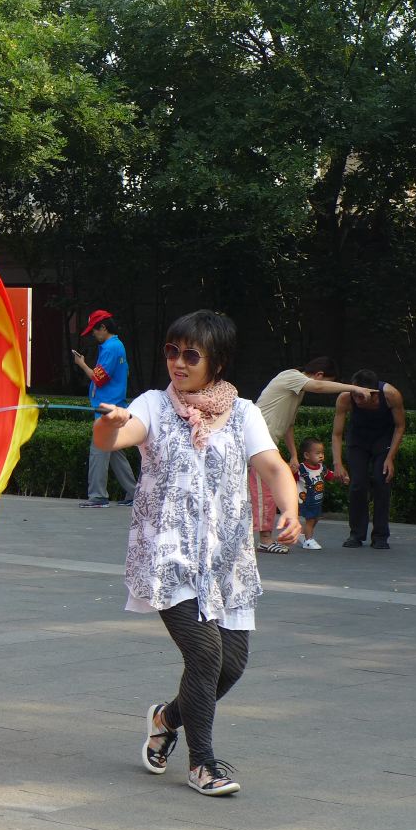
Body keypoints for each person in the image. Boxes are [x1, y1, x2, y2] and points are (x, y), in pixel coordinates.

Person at [93, 310, 300, 797]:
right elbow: (114, 439)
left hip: (226, 560)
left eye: (191, 355)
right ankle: (203, 764)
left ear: (218, 362)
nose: (178, 363)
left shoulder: (244, 412)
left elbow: (271, 466)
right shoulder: (151, 405)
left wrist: (289, 509)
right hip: (169, 557)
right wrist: (112, 423)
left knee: (232, 665)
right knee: (206, 655)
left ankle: (166, 718)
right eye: (171, 352)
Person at [252, 358, 376, 554]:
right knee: (264, 492)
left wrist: (293, 455)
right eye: (328, 381)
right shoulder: (291, 376)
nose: (326, 384)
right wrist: (354, 388)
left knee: (266, 490)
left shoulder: (296, 391)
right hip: (254, 444)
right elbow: (318, 387)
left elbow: (288, 426)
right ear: (318, 375)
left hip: (264, 445)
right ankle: (265, 540)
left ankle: (265, 536)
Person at [332, 369, 406, 549]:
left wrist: (390, 458)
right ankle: (356, 534)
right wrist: (338, 463)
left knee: (381, 482)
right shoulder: (345, 397)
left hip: (382, 440)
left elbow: (400, 426)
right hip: (358, 440)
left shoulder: (391, 395)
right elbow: (337, 433)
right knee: (357, 484)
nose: (357, 399)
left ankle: (380, 536)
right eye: (355, 395)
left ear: (374, 393)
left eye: (361, 396)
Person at [72, 309, 137, 508]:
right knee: (114, 451)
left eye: (95, 329)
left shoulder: (111, 348)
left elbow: (98, 379)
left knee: (99, 449)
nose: (93, 333)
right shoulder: (115, 346)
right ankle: (134, 493)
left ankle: (98, 496)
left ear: (103, 327)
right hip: (113, 405)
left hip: (106, 408)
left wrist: (82, 364)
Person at [296, 437, 335, 550]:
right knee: (311, 519)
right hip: (305, 499)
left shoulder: (321, 468)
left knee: (315, 518)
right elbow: (289, 478)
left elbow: (329, 475)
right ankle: (308, 541)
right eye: (317, 453)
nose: (321, 455)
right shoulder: (301, 469)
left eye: (322, 453)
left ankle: (303, 536)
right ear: (307, 455)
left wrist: (340, 477)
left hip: (317, 499)